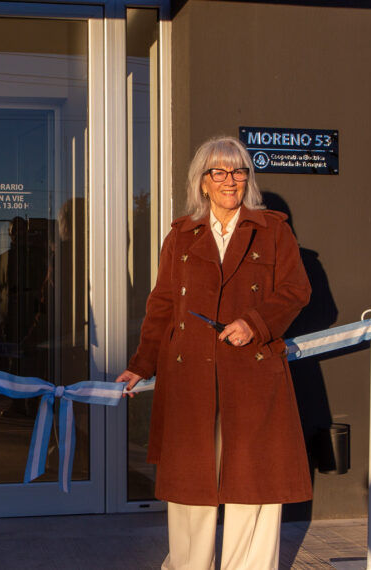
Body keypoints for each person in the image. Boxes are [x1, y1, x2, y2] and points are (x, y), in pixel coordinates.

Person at [116, 135, 312, 569]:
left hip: (253, 374)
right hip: (191, 377)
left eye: (239, 171)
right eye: (219, 172)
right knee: (191, 488)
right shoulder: (181, 236)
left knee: (254, 485)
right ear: (202, 182)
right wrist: (140, 365)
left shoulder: (273, 230)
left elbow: (296, 291)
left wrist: (254, 324)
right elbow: (162, 305)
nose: (230, 180)